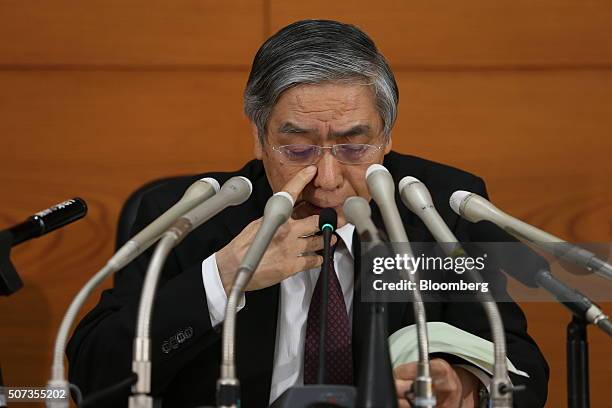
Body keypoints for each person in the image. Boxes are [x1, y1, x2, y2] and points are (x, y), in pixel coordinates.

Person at [67, 19, 549, 407]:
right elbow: (93, 376)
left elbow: (522, 365)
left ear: (387, 137)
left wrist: (465, 385)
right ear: (258, 138)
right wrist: (222, 276)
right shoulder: (193, 217)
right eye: (297, 148)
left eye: (354, 146)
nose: (326, 177)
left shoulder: (435, 208)